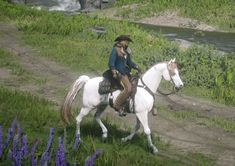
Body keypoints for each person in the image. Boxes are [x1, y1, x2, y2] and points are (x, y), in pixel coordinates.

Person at [108, 35, 140, 116]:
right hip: (119, 73)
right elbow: (111, 63)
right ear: (121, 41)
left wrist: (136, 66)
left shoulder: (126, 51)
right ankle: (117, 105)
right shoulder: (115, 50)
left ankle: (127, 104)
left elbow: (129, 62)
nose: (127, 43)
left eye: (128, 42)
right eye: (126, 41)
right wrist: (114, 72)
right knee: (128, 88)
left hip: (125, 73)